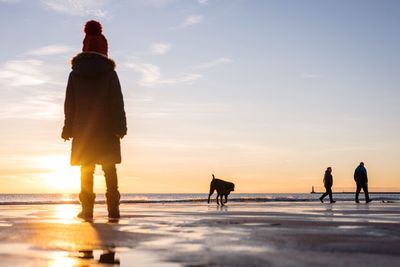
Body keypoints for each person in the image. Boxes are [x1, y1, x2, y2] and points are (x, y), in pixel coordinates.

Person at [62, 20, 127, 219]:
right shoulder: (110, 73)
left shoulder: (75, 74)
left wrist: (67, 128)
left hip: (83, 129)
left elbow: (69, 104)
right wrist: (120, 126)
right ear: (104, 51)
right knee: (109, 168)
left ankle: (87, 210)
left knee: (86, 168)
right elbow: (117, 101)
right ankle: (113, 209)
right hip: (107, 129)